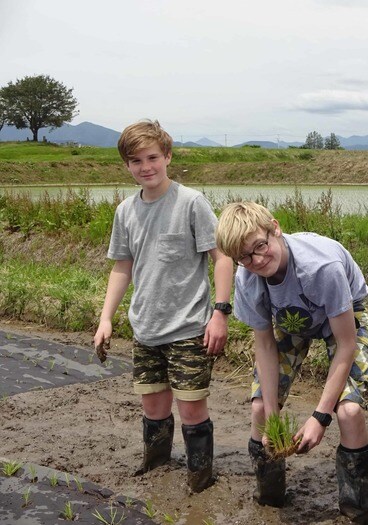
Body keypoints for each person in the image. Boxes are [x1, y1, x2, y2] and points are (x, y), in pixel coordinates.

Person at [93, 119, 233, 493]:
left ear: (167, 156)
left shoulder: (191, 202)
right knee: (153, 408)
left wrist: (220, 312)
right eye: (136, 161)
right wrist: (106, 318)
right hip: (146, 328)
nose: (146, 167)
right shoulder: (125, 211)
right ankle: (155, 469)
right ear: (127, 165)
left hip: (189, 327)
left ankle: (200, 477)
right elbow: (122, 267)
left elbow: (221, 258)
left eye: (152, 157)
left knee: (191, 408)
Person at [215, 201, 368, 523]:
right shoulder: (248, 278)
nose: (256, 260)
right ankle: (269, 498)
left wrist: (319, 417)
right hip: (292, 319)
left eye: (260, 246)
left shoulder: (321, 267)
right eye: (244, 257)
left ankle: (355, 508)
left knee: (349, 410)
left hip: (341, 317)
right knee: (260, 408)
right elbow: (264, 344)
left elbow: (346, 345)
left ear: (275, 228)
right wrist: (272, 416)